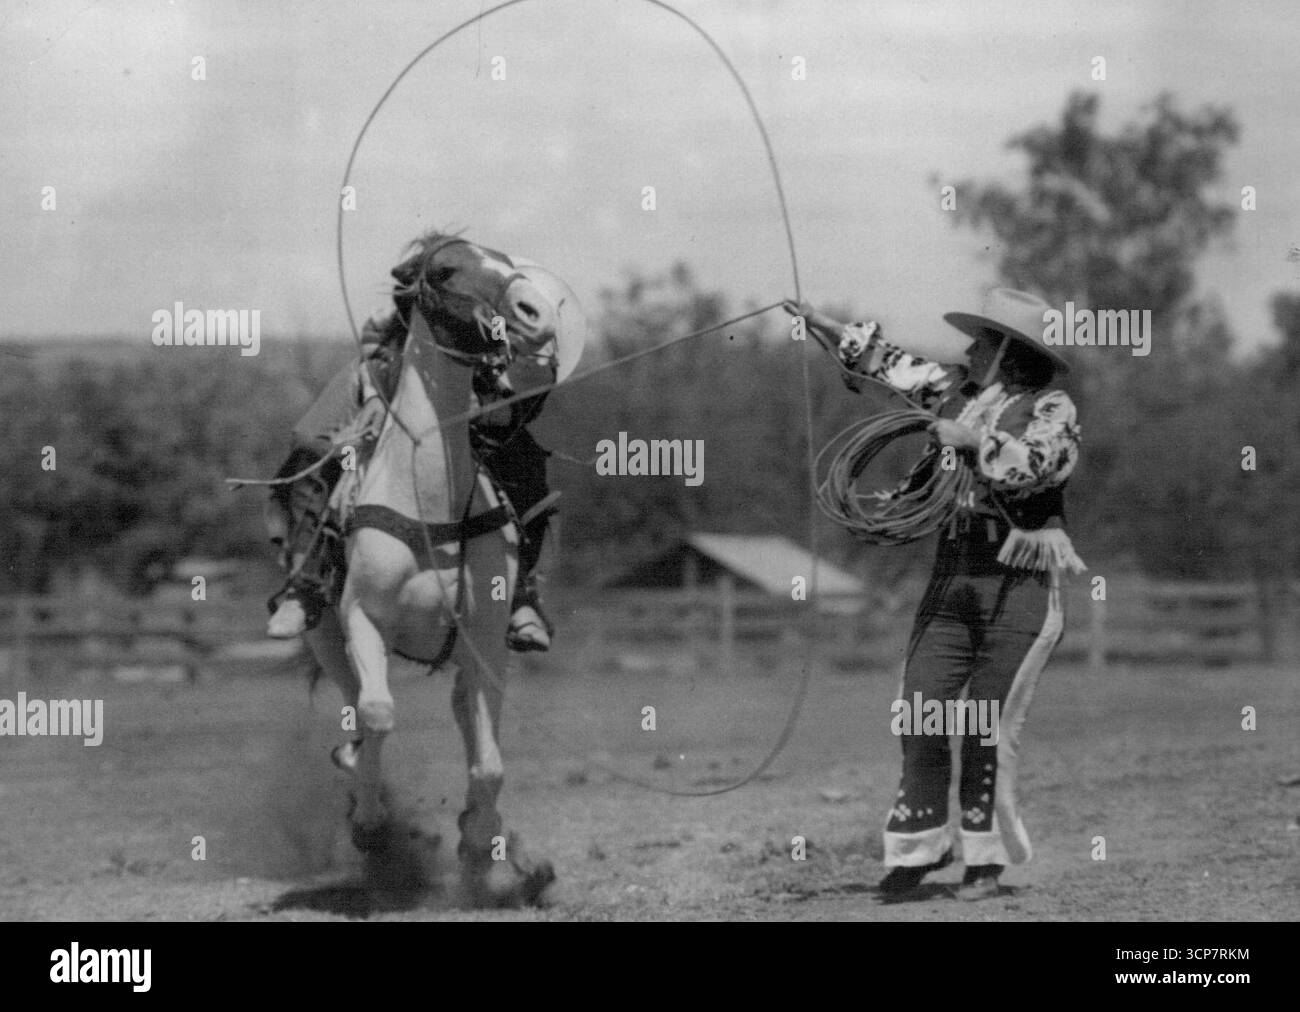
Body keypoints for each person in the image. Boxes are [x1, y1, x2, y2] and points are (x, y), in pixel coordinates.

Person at [793, 287, 1084, 901]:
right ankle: (920, 849)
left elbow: (1043, 464)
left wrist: (975, 442)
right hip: (955, 574)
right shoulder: (956, 392)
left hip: (1019, 583)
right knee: (922, 709)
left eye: (981, 342)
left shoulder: (1051, 408)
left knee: (987, 726)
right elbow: (888, 362)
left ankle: (985, 863)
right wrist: (822, 324)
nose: (968, 350)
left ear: (1007, 351)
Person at [263, 247, 570, 653]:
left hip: (466, 421)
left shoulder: (531, 350)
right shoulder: (454, 309)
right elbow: (375, 337)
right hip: (385, 378)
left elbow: (524, 404)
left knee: (526, 462)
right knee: (312, 445)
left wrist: (493, 407)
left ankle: (521, 596)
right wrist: (373, 397)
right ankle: (303, 586)